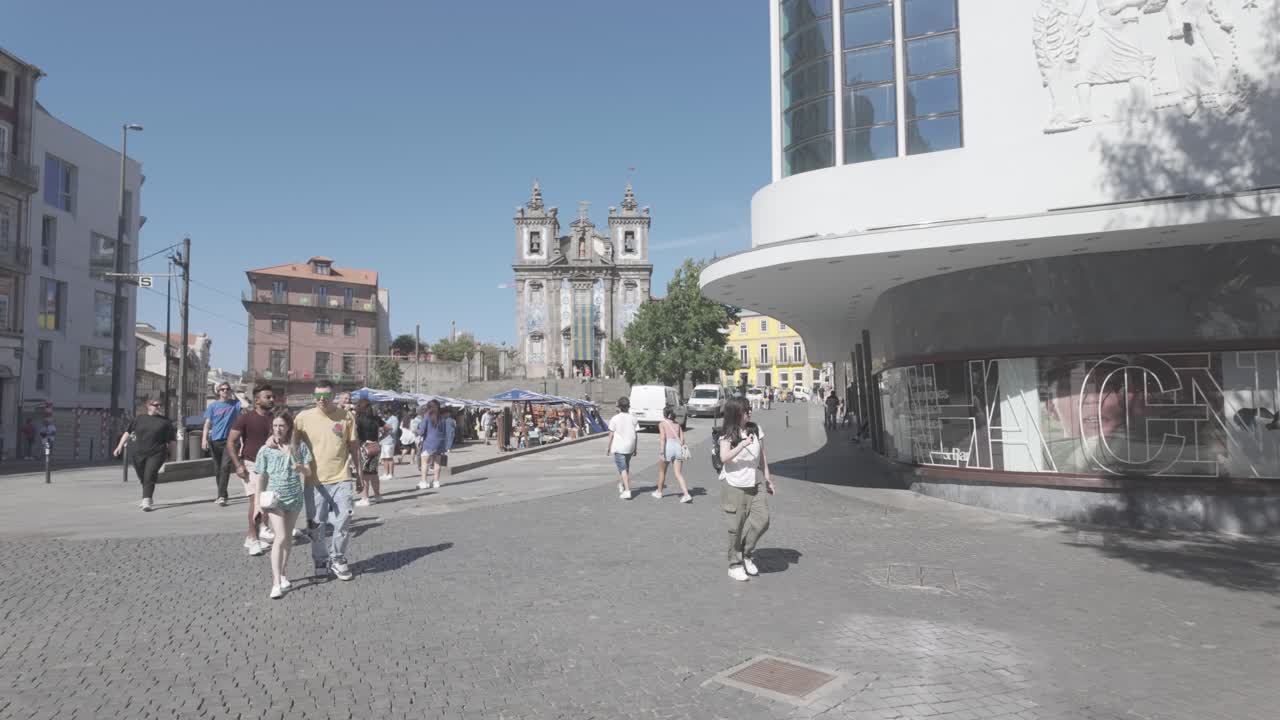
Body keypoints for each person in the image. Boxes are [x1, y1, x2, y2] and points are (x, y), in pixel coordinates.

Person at [292, 380, 360, 581]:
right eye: (317, 396)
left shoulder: (346, 416)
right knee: (316, 524)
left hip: (342, 477)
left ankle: (338, 558)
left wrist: (360, 475)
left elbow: (354, 446)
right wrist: (297, 463)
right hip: (314, 481)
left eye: (326, 396)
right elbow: (291, 441)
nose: (321, 400)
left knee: (345, 518)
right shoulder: (303, 417)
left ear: (334, 397)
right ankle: (321, 560)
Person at [256, 412, 312, 599]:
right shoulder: (266, 449)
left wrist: (301, 468)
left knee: (287, 537)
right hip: (274, 498)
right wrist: (258, 503)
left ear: (288, 427)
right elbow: (260, 476)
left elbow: (309, 470)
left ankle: (283, 573)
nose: (277, 429)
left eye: (281, 425)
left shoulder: (298, 446)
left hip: (294, 496)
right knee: (279, 536)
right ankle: (275, 583)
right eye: (275, 426)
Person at [718, 397, 774, 581]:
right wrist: (741, 444)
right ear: (736, 413)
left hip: (755, 484)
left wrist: (767, 478)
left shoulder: (756, 429)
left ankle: (746, 553)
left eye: (749, 409)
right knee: (736, 527)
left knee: (763, 520)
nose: (749, 412)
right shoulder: (727, 433)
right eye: (746, 410)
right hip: (734, 485)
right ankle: (734, 564)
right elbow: (724, 457)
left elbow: (763, 456)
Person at [227, 383, 276, 556]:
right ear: (257, 400)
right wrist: (238, 465)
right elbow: (230, 442)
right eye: (267, 397)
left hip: (270, 466)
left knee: (267, 501)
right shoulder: (246, 418)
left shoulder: (273, 418)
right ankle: (254, 539)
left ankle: (253, 535)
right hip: (251, 465)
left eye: (272, 396)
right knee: (256, 502)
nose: (272, 399)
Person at [113, 397, 176, 511]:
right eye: (155, 405)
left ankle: (146, 500)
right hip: (139, 453)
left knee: (149, 474)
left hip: (157, 452)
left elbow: (171, 440)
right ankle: (147, 495)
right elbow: (128, 432)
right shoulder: (139, 419)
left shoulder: (165, 422)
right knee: (143, 477)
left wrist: (172, 455)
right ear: (148, 406)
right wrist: (119, 446)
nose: (158, 407)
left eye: (159, 405)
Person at [203, 382, 242, 506]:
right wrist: (204, 439)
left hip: (230, 441)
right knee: (218, 469)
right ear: (218, 392)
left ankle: (221, 496)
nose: (225, 391)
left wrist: (235, 394)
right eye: (222, 389)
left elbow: (247, 405)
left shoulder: (235, 404)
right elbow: (207, 424)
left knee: (225, 467)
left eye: (227, 389)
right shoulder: (213, 406)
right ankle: (223, 493)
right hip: (215, 440)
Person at [653, 405, 692, 503]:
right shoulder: (677, 424)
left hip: (668, 447)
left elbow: (663, 438)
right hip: (678, 447)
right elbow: (682, 439)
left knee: (662, 472)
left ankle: (659, 492)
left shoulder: (662, 424)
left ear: (664, 414)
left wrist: (662, 452)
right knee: (678, 473)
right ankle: (686, 494)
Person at [607, 396, 639, 500]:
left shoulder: (615, 418)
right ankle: (621, 484)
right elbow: (636, 434)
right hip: (630, 446)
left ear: (619, 407)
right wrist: (635, 448)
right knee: (625, 467)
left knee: (623, 468)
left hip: (619, 447)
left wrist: (608, 447)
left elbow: (611, 434)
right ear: (628, 407)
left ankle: (627, 490)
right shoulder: (633, 418)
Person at [353, 398, 383, 507]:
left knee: (364, 474)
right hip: (376, 446)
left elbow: (355, 433)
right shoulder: (376, 418)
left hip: (364, 447)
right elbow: (388, 428)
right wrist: (380, 439)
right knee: (374, 473)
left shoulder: (359, 419)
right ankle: (378, 496)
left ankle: (365, 498)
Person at [416, 400, 444, 490]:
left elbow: (422, 431)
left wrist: (416, 431)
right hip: (439, 443)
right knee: (437, 463)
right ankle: (436, 482)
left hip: (428, 443)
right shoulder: (441, 417)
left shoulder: (427, 416)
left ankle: (424, 482)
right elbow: (444, 431)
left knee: (425, 463)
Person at [379, 407, 399, 482]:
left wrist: (385, 429)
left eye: (385, 414)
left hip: (390, 441)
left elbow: (394, 430)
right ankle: (385, 473)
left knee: (389, 458)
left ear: (389, 413)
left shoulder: (394, 419)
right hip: (383, 441)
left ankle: (391, 474)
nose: (384, 416)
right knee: (384, 458)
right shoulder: (384, 419)